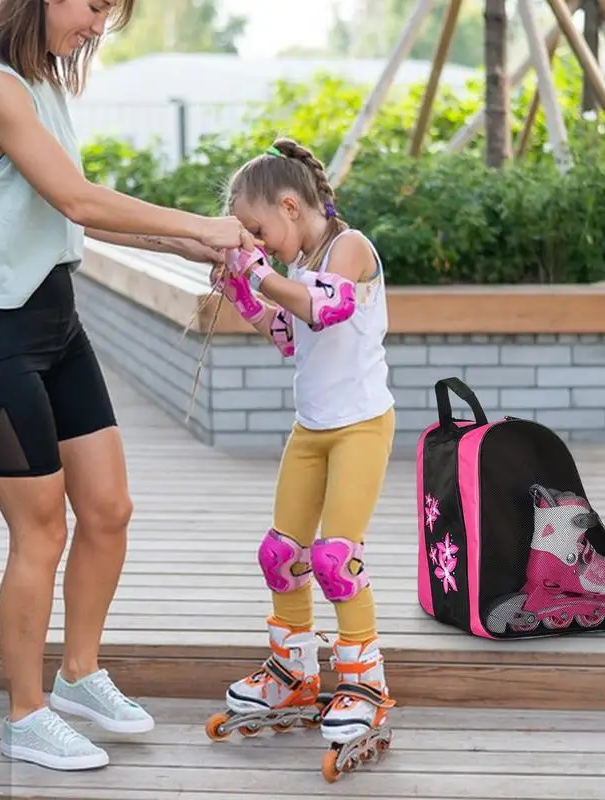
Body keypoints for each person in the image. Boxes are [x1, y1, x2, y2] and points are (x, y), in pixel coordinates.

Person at [0, 0, 255, 773]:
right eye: (92, 8)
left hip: (58, 326)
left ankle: (80, 674)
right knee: (41, 531)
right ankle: (25, 714)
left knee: (109, 510)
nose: (97, 28)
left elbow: (78, 220)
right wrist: (203, 221)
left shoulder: (42, 83)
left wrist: (188, 246)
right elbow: (79, 200)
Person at [205, 137, 397, 781]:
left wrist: (257, 272)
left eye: (259, 231)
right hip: (311, 429)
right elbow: (290, 332)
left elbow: (326, 306)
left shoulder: (349, 247)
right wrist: (239, 286)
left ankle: (364, 685)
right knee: (281, 553)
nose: (258, 243)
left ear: (291, 206)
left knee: (335, 557)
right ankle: (292, 675)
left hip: (361, 428)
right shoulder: (299, 259)